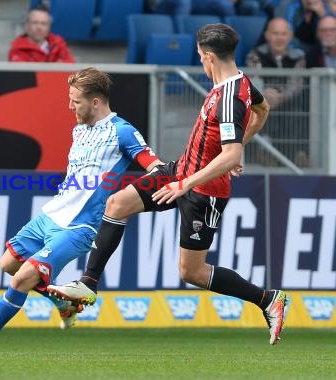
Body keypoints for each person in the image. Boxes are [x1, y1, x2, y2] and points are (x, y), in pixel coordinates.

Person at [49, 24, 288, 346]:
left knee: (192, 272)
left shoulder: (229, 100)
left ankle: (267, 299)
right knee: (117, 203)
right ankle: (88, 284)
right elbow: (263, 109)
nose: (201, 63)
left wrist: (192, 179)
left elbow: (231, 157)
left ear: (208, 56)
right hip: (181, 171)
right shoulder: (241, 82)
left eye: (201, 58)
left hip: (204, 191)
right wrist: (225, 152)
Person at [0, 67, 162, 356]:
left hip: (79, 227)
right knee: (8, 264)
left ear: (95, 102)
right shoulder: (79, 130)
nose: (69, 106)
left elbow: (155, 166)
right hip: (50, 215)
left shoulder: (121, 131)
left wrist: (140, 193)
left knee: (21, 279)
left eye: (76, 101)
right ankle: (63, 303)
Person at [246, 17, 308, 167]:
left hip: (288, 105)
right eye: (275, 33)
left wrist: (280, 96)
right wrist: (265, 94)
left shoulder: (299, 56)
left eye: (283, 34)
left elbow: (296, 84)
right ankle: (263, 153)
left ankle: (295, 155)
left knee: (297, 111)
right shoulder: (255, 54)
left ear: (290, 36)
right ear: (267, 35)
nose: (279, 38)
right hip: (263, 103)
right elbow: (255, 80)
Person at [8, 4, 75, 63]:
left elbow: (70, 64)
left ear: (49, 26)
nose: (39, 27)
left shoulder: (58, 43)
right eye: (35, 22)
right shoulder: (17, 49)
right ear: (27, 25)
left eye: (43, 23)